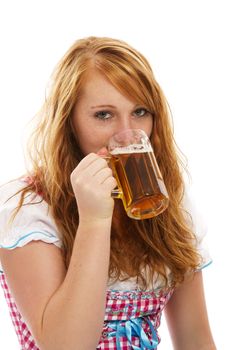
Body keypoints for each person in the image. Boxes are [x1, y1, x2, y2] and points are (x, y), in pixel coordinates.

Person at [0, 36, 216, 349]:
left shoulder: (168, 200)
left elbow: (195, 340)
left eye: (140, 112)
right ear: (69, 122)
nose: (127, 134)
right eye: (104, 114)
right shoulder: (29, 207)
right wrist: (94, 220)